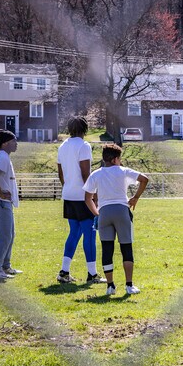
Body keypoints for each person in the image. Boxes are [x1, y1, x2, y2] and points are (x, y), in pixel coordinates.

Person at [83, 144, 149, 296]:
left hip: (104, 213)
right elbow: (144, 179)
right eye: (119, 158)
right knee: (126, 248)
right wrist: (135, 198)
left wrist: (97, 213)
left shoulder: (96, 174)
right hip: (121, 211)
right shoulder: (123, 171)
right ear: (114, 159)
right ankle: (129, 285)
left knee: (107, 249)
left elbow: (88, 198)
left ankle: (110, 286)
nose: (120, 161)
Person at [56, 117, 106, 284]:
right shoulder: (83, 146)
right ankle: (92, 274)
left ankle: (64, 272)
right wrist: (93, 195)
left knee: (74, 233)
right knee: (90, 234)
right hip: (82, 196)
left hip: (68, 194)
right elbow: (86, 173)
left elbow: (60, 173)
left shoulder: (62, 146)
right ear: (85, 130)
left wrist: (67, 187)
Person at [0, 130, 22, 280]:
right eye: (14, 141)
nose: (16, 144)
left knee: (9, 235)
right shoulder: (2, 157)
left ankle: (5, 266)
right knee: (4, 236)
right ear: (5, 143)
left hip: (5, 202)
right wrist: (0, 193)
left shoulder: (5, 157)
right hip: (0, 201)